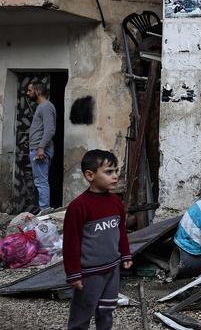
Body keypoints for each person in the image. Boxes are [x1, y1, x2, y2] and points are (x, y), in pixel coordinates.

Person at [63, 150, 132, 330]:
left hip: (112, 269)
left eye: (116, 171)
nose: (115, 176)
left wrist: (125, 255)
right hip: (89, 273)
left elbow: (121, 231)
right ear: (90, 175)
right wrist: (74, 273)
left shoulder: (116, 202)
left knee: (107, 310)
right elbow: (71, 242)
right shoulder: (79, 207)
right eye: (109, 172)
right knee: (82, 313)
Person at [26, 82, 56, 212]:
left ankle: (44, 213)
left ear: (37, 91)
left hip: (40, 149)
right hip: (38, 148)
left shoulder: (45, 107)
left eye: (30, 90)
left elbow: (50, 129)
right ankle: (43, 211)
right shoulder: (43, 107)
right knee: (40, 182)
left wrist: (41, 147)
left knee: (41, 182)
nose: (28, 93)